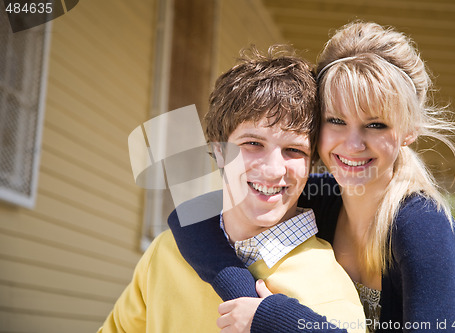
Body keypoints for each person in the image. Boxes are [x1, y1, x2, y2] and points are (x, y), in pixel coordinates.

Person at [167, 21, 455, 332]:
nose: (352, 144)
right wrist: (245, 293)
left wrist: (274, 320)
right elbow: (188, 217)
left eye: (376, 124)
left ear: (409, 131)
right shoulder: (322, 196)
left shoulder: (422, 225)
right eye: (336, 120)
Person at [98, 45, 366, 333]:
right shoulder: (165, 252)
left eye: (293, 150)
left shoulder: (330, 292)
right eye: (253, 143)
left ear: (311, 163)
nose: (273, 169)